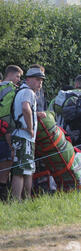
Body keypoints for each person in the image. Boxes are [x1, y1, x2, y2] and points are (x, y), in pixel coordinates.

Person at [10, 67, 47, 201]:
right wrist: (31, 129)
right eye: (37, 80)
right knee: (20, 171)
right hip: (23, 136)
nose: (40, 83)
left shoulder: (23, 91)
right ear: (28, 79)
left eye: (41, 80)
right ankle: (17, 200)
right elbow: (25, 108)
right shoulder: (27, 92)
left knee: (27, 170)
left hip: (23, 136)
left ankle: (25, 200)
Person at [0, 65, 23, 201]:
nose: (18, 80)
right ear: (12, 75)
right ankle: (3, 200)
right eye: (18, 76)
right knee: (5, 170)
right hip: (5, 131)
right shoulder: (11, 89)